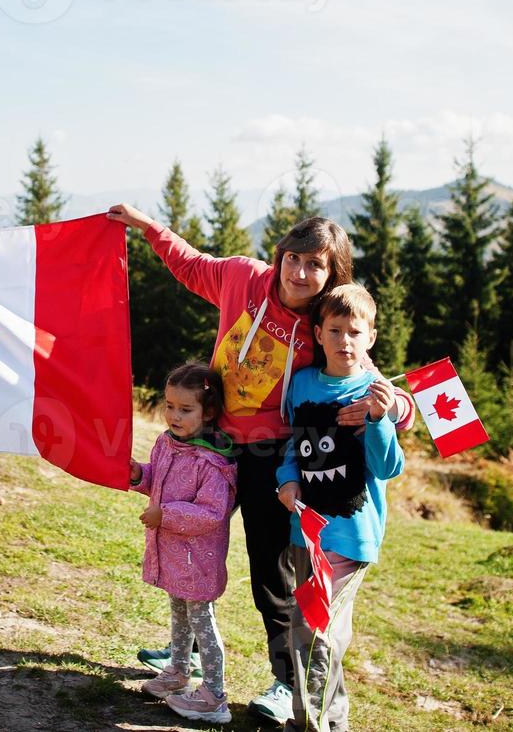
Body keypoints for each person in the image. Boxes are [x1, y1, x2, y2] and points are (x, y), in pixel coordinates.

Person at [107, 203, 415, 724]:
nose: (299, 273)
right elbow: (188, 262)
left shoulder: (324, 329)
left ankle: (284, 680)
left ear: (332, 274)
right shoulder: (241, 278)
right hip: (213, 443)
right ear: (279, 256)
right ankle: (185, 650)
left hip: (273, 462)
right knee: (187, 543)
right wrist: (147, 228)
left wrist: (399, 410)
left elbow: (373, 382)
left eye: (315, 265)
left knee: (270, 572)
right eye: (293, 258)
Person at [275, 283, 404, 732]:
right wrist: (287, 479)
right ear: (319, 333)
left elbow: (388, 467)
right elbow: (297, 446)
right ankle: (334, 720)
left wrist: (378, 419)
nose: (344, 340)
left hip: (351, 535)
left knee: (316, 631)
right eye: (335, 330)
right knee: (313, 631)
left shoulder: (376, 391)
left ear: (370, 337)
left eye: (355, 331)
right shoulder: (304, 382)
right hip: (305, 533)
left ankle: (307, 724)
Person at [130, 362, 237, 725]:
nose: (174, 415)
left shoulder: (212, 461)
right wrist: (138, 475)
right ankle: (177, 670)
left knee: (201, 620)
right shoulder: (167, 443)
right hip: (176, 554)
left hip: (199, 557)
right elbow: (157, 481)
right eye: (170, 405)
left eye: (185, 409)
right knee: (178, 611)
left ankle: (214, 694)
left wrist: (166, 515)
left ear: (207, 412)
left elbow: (211, 513)